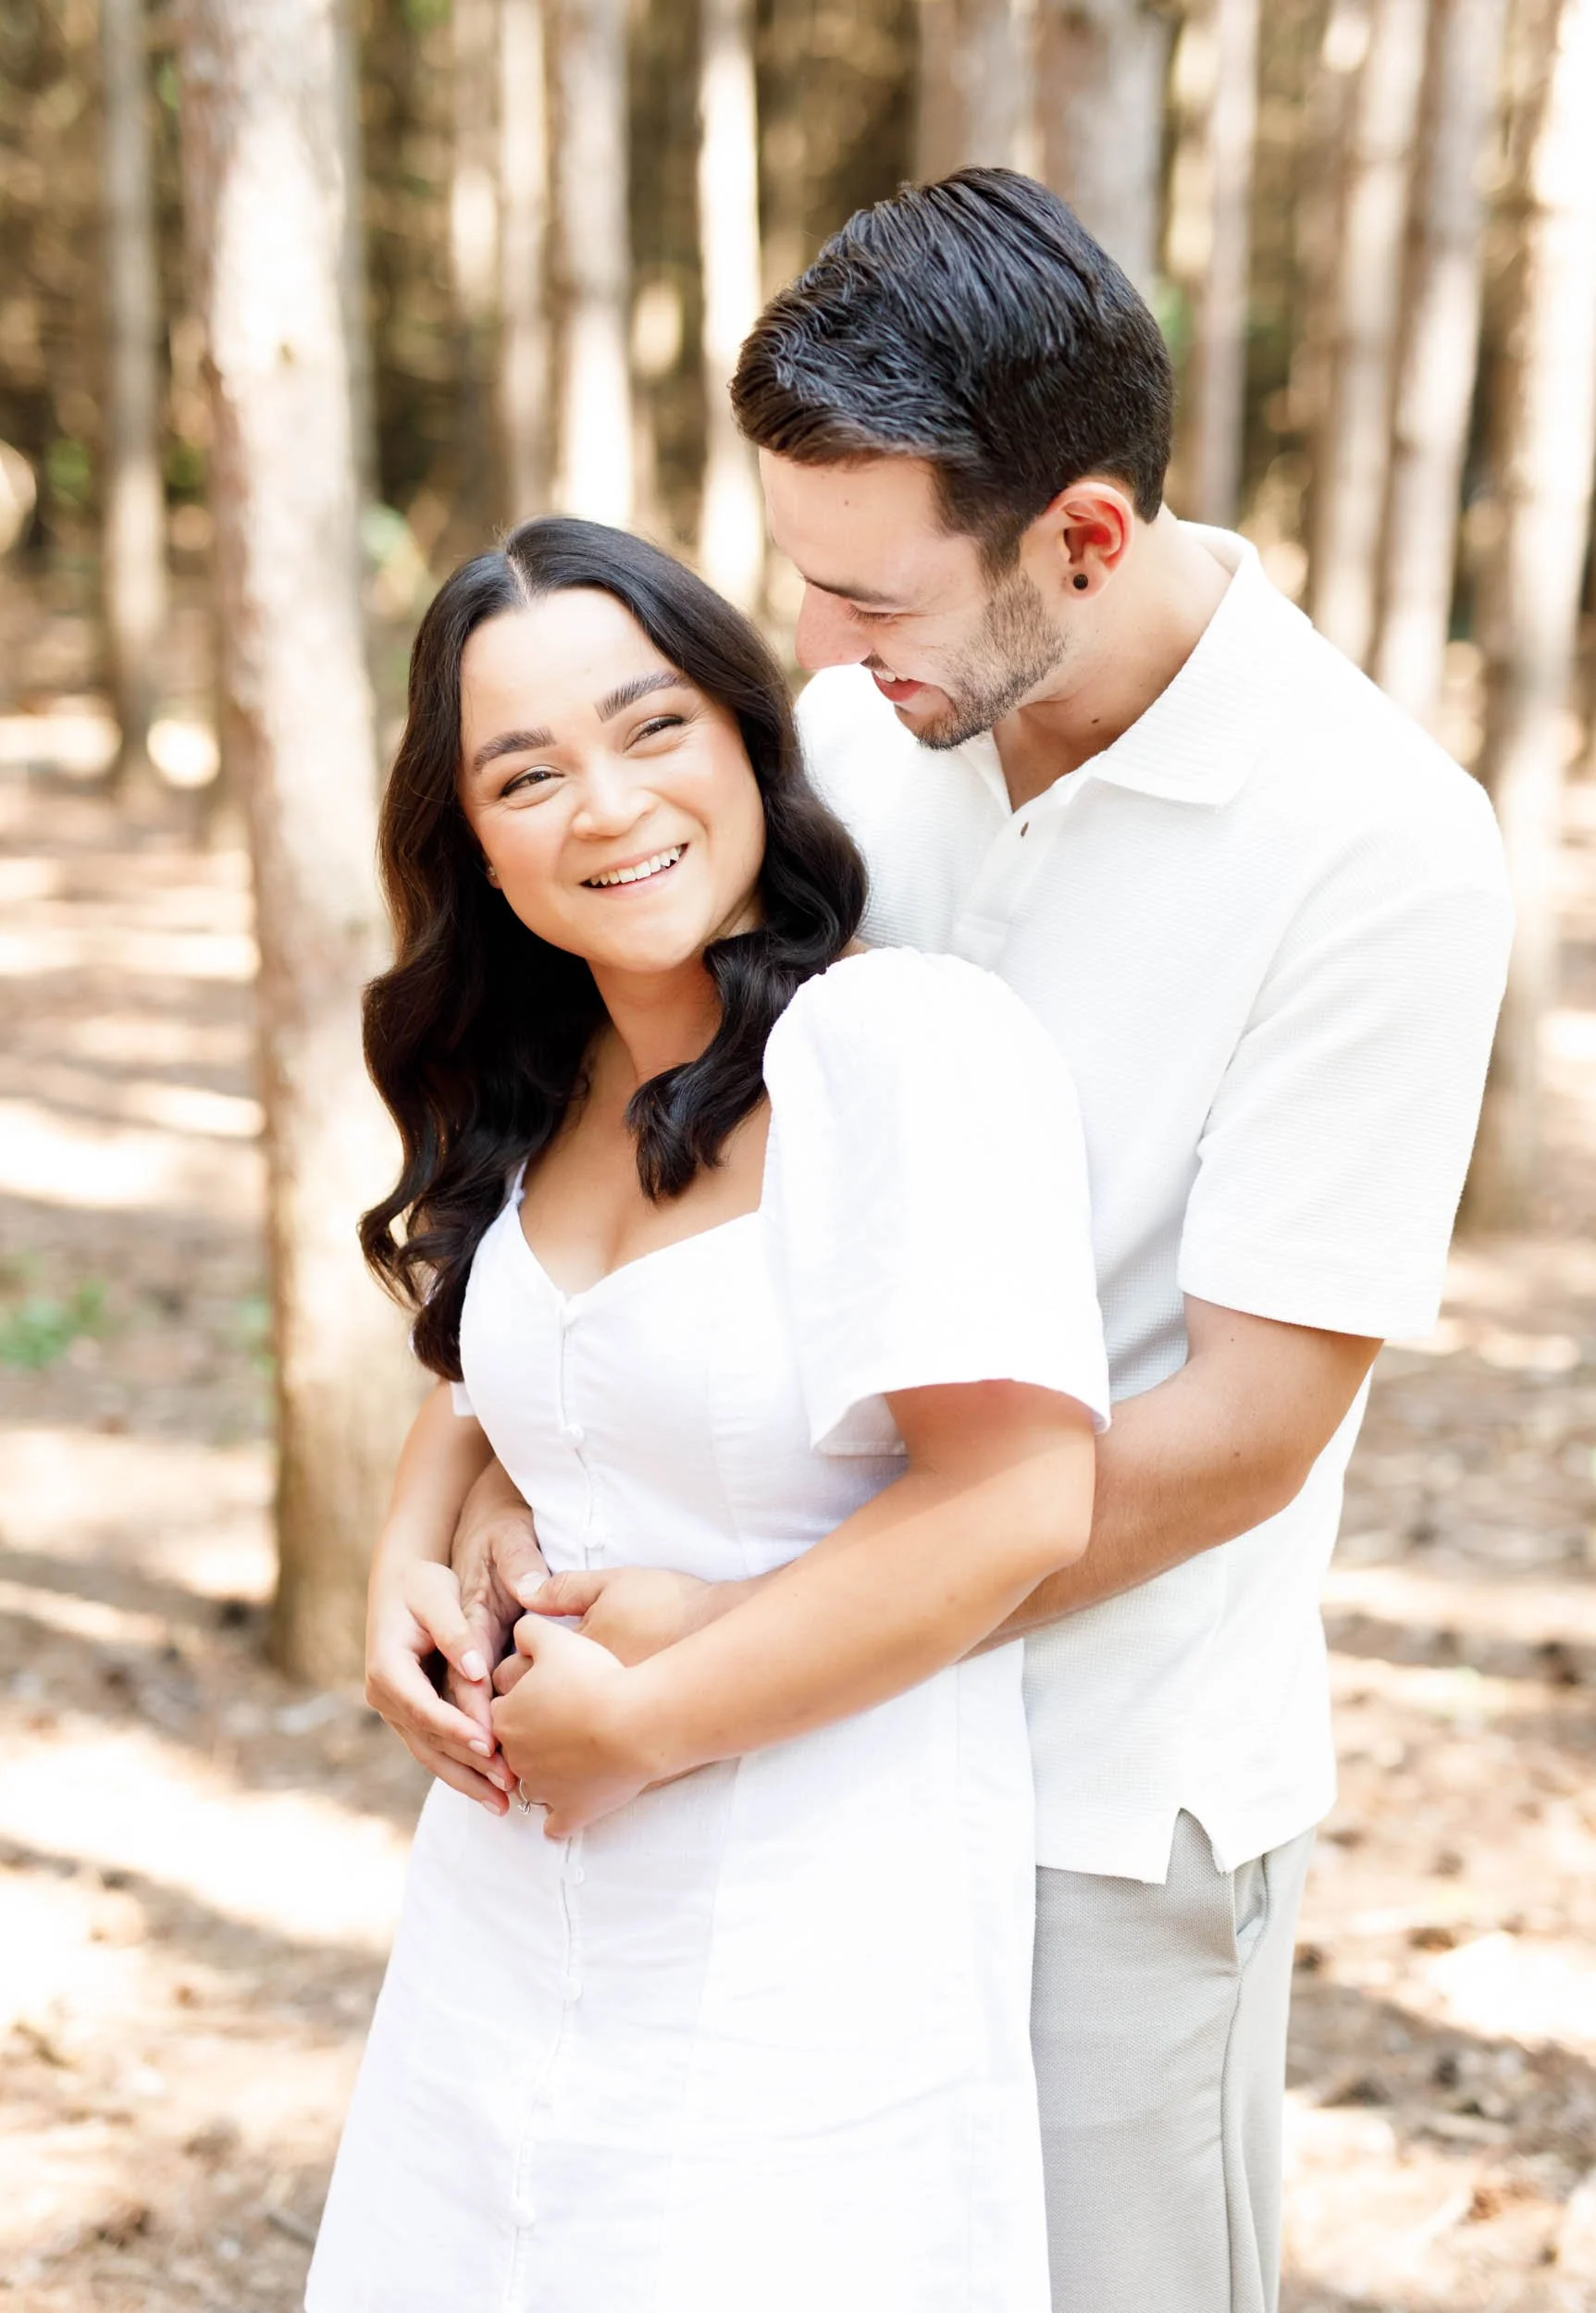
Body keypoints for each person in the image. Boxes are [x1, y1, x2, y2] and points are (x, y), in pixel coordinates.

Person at [372, 172, 1514, 2313]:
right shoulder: (855, 736)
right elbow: (622, 1152)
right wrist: (437, 1508)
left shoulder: (1378, 849)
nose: (807, 647)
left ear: (1078, 536)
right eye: (799, 583)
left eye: (867, 595)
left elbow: (1250, 1426)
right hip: (765, 1789)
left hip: (1090, 1782)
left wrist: (729, 1646)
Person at [310, 515, 1109, 2313]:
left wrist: (648, 1720)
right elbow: (505, 1357)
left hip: (807, 1905)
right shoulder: (542, 1081)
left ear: (751, 737)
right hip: (509, 1899)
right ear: (473, 843)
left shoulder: (893, 1046)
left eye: (649, 726)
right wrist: (398, 1566)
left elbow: (1016, 1499)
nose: (602, 805)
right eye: (526, 772)